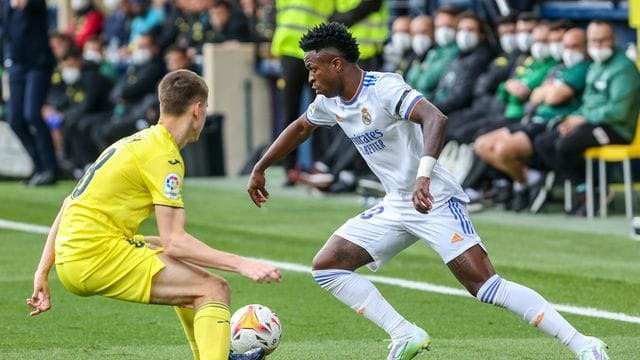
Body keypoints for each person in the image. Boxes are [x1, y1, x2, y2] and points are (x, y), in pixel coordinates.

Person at [247, 22, 609, 360]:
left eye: (313, 68)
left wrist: (424, 175)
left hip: (432, 198)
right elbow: (300, 128)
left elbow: (436, 118)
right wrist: (261, 166)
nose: (310, 77)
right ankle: (404, 333)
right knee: (327, 267)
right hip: (396, 204)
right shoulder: (330, 102)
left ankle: (584, 345)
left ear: (336, 64)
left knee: (484, 285)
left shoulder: (384, 87)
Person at [27, 70, 281, 360]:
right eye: (206, 109)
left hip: (76, 254)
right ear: (198, 110)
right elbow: (176, 240)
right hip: (94, 255)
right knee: (214, 288)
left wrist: (43, 270)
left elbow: (68, 204)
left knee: (178, 264)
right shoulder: (165, 156)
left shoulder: (134, 142)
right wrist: (242, 264)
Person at [475, 27, 591, 212]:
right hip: (532, 119)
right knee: (482, 144)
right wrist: (547, 92)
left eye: (575, 46)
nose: (569, 50)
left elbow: (552, 97)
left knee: (503, 149)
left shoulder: (584, 68)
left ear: (586, 47)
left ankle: (523, 185)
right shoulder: (559, 68)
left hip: (550, 124)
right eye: (566, 46)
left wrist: (547, 92)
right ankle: (529, 179)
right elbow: (535, 96)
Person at [534, 20, 640, 216]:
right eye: (593, 41)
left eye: (603, 40)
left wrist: (582, 119)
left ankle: (597, 191)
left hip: (617, 129)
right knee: (544, 142)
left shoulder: (624, 69)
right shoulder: (595, 66)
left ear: (614, 40)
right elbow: (586, 104)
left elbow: (618, 112)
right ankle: (586, 189)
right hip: (591, 124)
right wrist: (572, 119)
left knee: (566, 144)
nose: (598, 46)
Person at [3, 0, 58, 186]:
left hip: (38, 64)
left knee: (33, 114)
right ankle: (39, 167)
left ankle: (51, 168)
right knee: (14, 120)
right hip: (16, 65)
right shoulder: (6, 5)